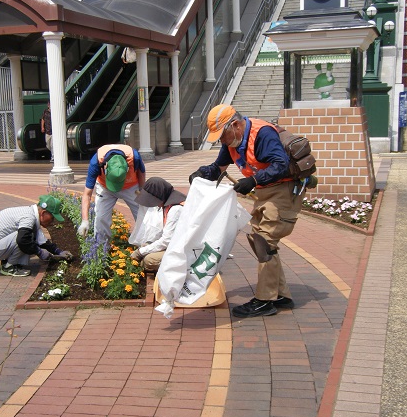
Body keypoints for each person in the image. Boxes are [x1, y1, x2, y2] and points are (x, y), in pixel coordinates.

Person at [189, 104, 306, 318]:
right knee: (261, 241)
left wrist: (252, 180)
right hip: (264, 192)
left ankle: (264, 300)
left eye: (222, 135)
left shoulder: (262, 134)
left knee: (266, 242)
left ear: (234, 124)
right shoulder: (232, 141)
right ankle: (281, 295)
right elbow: (219, 168)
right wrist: (202, 173)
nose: (222, 141)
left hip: (283, 190)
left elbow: (280, 165)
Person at [0, 194, 73, 277]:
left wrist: (58, 252)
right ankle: (9, 267)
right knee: (25, 238)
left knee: (28, 237)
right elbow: (22, 241)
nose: (52, 222)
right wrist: (39, 252)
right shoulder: (28, 217)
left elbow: (41, 240)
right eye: (52, 218)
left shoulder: (30, 214)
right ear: (43, 213)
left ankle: (8, 262)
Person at [78, 144, 146, 243]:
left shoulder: (134, 157)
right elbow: (87, 194)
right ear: (105, 167)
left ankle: (144, 244)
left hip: (131, 187)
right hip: (105, 187)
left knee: (142, 215)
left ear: (127, 168)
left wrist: (142, 193)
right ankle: (101, 246)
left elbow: (141, 174)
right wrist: (85, 221)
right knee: (101, 218)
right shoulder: (96, 161)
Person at [130, 177, 186, 273]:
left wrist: (140, 252)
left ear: (159, 196)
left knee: (149, 260)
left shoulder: (175, 209)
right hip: (176, 244)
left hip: (185, 251)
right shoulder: (170, 201)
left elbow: (166, 240)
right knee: (145, 246)